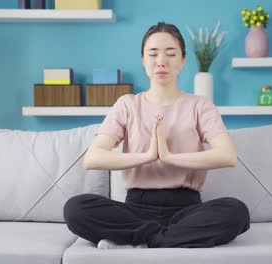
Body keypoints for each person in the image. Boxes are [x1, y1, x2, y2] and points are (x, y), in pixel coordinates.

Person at [63, 22, 250, 249]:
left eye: (170, 53)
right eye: (153, 53)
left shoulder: (200, 106)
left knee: (236, 212)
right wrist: (149, 155)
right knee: (75, 208)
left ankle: (140, 240)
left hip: (187, 208)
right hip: (135, 208)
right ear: (143, 60)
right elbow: (93, 158)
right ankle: (164, 238)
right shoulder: (127, 104)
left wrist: (170, 157)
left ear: (182, 60)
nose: (161, 60)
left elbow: (227, 155)